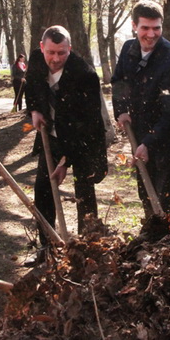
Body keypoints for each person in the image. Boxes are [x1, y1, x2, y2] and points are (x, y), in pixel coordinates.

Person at [25, 26, 107, 258]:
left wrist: (65, 161)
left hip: (84, 140)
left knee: (84, 190)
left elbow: (86, 126)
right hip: (52, 135)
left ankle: (87, 245)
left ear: (70, 49)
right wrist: (35, 110)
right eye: (51, 52)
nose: (56, 58)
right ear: (42, 47)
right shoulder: (36, 60)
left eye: (62, 53)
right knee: (43, 190)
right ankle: (47, 246)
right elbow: (31, 86)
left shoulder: (86, 75)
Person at [112, 1, 170, 217]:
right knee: (145, 191)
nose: (151, 34)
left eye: (156, 28)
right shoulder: (128, 49)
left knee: (163, 196)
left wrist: (148, 143)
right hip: (140, 130)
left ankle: (167, 238)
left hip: (167, 137)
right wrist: (121, 110)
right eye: (145, 28)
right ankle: (151, 231)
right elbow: (118, 82)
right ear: (134, 26)